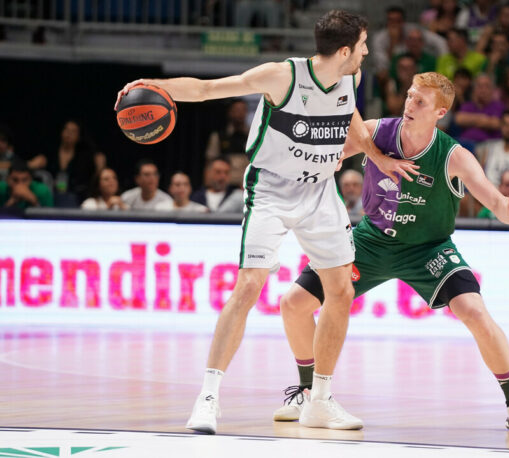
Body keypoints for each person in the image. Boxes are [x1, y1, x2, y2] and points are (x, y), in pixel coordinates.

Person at [115, 9, 416, 434]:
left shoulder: (352, 78)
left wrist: (375, 154)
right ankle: (208, 397)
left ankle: (319, 399)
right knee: (249, 286)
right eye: (363, 45)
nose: (367, 51)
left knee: (341, 291)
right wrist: (151, 86)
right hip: (271, 190)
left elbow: (349, 115)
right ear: (345, 50)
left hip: (319, 192)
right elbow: (206, 89)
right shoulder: (282, 77)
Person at [272, 72, 509, 434]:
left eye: (420, 101)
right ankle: (310, 393)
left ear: (440, 112)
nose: (409, 104)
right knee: (293, 304)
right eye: (409, 96)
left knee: (474, 311)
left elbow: (493, 199)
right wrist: (320, 159)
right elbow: (331, 153)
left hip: (427, 249)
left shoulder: (454, 155)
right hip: (370, 241)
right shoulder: (377, 131)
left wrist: (508, 212)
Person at [454, 73, 504, 145]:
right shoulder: (467, 105)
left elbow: (496, 124)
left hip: (489, 145)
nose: (483, 90)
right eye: (480, 86)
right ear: (474, 89)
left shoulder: (498, 106)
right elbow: (459, 119)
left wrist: (470, 120)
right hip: (465, 144)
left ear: (492, 89)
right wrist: (485, 119)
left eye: (487, 86)